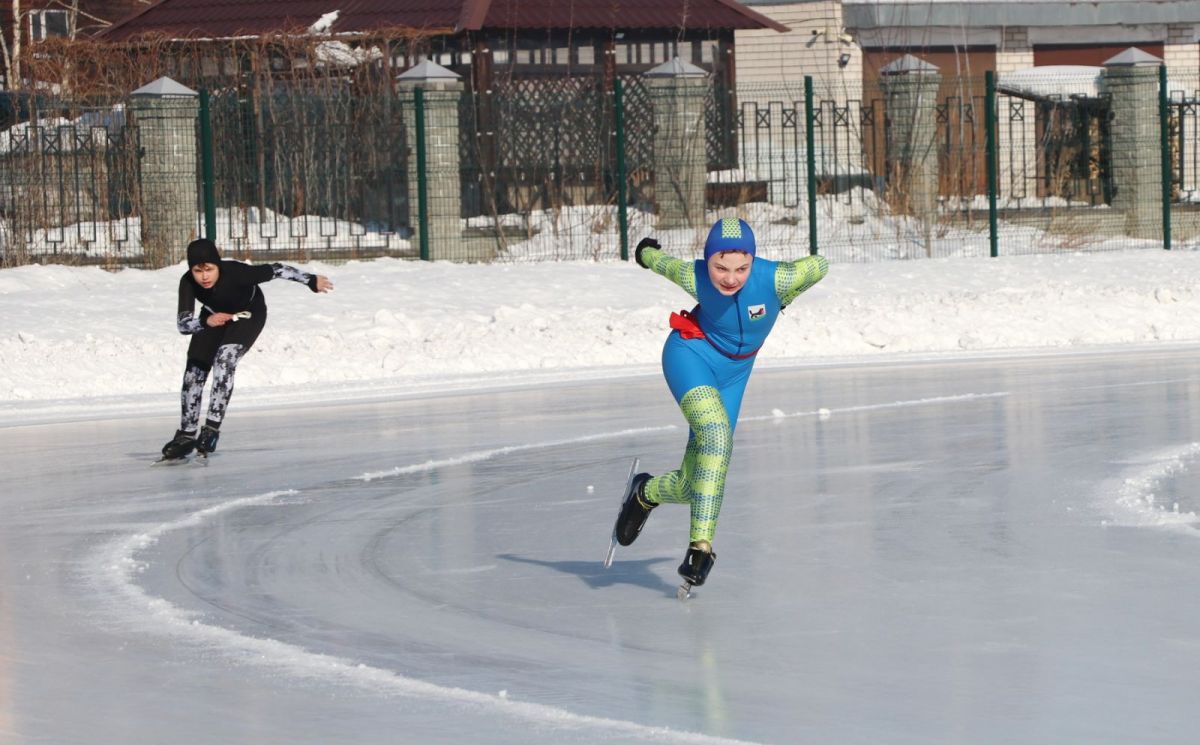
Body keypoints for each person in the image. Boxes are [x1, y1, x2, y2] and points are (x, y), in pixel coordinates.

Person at [614, 217, 828, 588]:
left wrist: (786, 297)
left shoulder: (775, 278)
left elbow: (820, 265)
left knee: (696, 481)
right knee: (716, 437)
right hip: (691, 356)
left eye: (742, 268)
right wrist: (646, 253)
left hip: (734, 376)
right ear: (708, 259)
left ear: (753, 262)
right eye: (720, 267)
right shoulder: (695, 276)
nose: (730, 279)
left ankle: (645, 493)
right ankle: (700, 548)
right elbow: (663, 264)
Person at [159, 238, 333, 460]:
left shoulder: (237, 273)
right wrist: (206, 321)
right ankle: (186, 435)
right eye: (198, 271)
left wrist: (310, 280)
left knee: (224, 359)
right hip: (213, 317)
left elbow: (277, 269)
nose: (204, 277)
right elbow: (183, 325)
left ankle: (211, 430)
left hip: (248, 315)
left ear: (217, 266)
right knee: (194, 372)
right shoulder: (187, 282)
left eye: (209, 269)